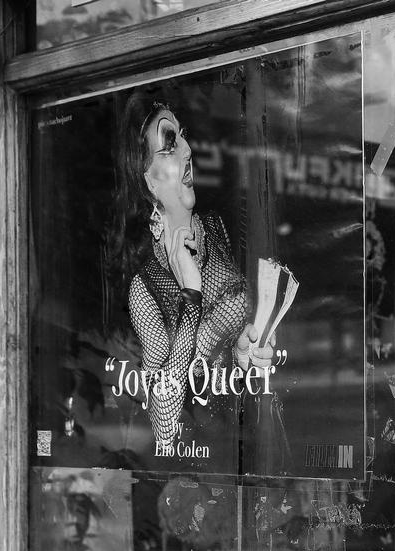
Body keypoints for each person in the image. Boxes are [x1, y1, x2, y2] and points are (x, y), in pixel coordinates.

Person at [108, 93, 275, 453]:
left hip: (249, 449)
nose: (186, 149)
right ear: (148, 182)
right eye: (169, 147)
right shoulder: (145, 287)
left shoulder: (219, 230)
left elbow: (231, 363)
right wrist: (191, 295)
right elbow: (165, 429)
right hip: (194, 474)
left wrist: (245, 355)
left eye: (181, 136)